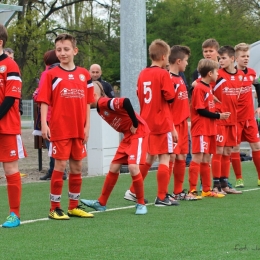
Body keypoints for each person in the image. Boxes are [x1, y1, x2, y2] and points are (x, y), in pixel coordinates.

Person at [37, 33, 94, 220]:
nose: (62, 53)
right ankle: (54, 207)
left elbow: (87, 103)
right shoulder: (51, 74)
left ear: (75, 51)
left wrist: (87, 127)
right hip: (60, 128)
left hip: (78, 129)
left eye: (66, 49)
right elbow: (43, 100)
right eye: (59, 50)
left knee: (77, 166)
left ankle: (73, 206)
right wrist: (45, 123)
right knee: (60, 166)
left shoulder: (84, 75)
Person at [81, 81, 149, 215]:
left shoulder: (103, 103)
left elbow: (126, 101)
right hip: (128, 136)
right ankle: (101, 203)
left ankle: (141, 204)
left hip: (138, 132)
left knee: (133, 167)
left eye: (85, 97)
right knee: (113, 167)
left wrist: (135, 123)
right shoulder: (99, 109)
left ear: (93, 95)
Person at [124, 39, 179, 206]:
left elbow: (139, 94)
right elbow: (170, 97)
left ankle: (133, 191)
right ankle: (162, 197)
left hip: (145, 120)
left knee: (150, 156)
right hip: (161, 120)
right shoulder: (163, 74)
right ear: (163, 57)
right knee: (165, 156)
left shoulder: (142, 74)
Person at [189, 59, 230, 199]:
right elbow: (200, 110)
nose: (218, 74)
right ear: (210, 73)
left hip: (209, 128)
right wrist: (219, 116)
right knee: (198, 157)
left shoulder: (207, 87)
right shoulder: (200, 87)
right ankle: (192, 190)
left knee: (206, 158)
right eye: (216, 71)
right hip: (201, 129)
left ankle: (206, 189)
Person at [0, 24, 27, 228]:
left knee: (10, 169)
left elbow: (11, 97)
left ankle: (14, 214)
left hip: (7, 127)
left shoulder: (10, 65)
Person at [211, 46, 243, 194]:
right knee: (218, 150)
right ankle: (215, 184)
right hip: (219, 119)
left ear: (232, 59)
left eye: (223, 58)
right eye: (219, 58)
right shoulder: (217, 75)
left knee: (228, 151)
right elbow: (199, 86)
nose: (220, 61)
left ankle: (224, 184)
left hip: (233, 120)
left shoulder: (240, 76)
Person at [167, 45, 196, 201]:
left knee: (182, 157)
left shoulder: (180, 78)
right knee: (171, 157)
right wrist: (171, 126)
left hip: (183, 123)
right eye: (185, 61)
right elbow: (166, 106)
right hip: (173, 125)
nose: (186, 64)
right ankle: (164, 193)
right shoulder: (168, 79)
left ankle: (178, 191)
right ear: (178, 61)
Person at [33, 50, 67, 181]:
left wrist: (35, 94)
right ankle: (55, 169)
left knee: (51, 145)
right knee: (57, 144)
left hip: (49, 115)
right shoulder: (63, 71)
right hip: (61, 114)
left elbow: (41, 96)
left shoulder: (47, 73)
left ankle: (56, 170)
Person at [231, 43, 260, 187]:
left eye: (248, 56)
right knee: (235, 148)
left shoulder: (252, 73)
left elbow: (258, 85)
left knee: (256, 146)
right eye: (243, 56)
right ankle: (239, 178)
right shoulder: (231, 75)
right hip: (236, 119)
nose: (246, 59)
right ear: (236, 58)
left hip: (250, 118)